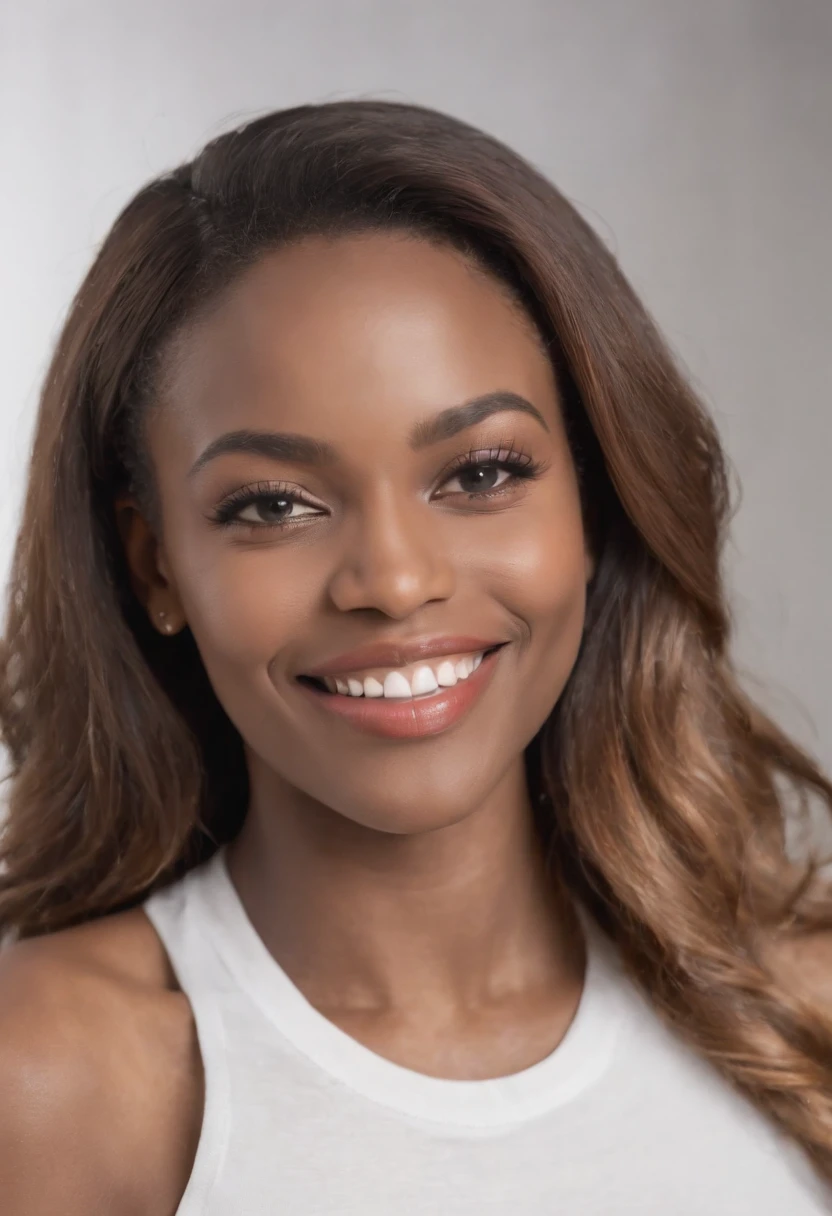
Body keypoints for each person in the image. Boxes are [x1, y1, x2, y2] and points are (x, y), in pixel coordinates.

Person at [0, 99, 830, 1215]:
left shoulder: (800, 1010)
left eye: (480, 474)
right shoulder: (53, 1074)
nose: (392, 580)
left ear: (594, 500)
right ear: (156, 567)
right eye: (272, 504)